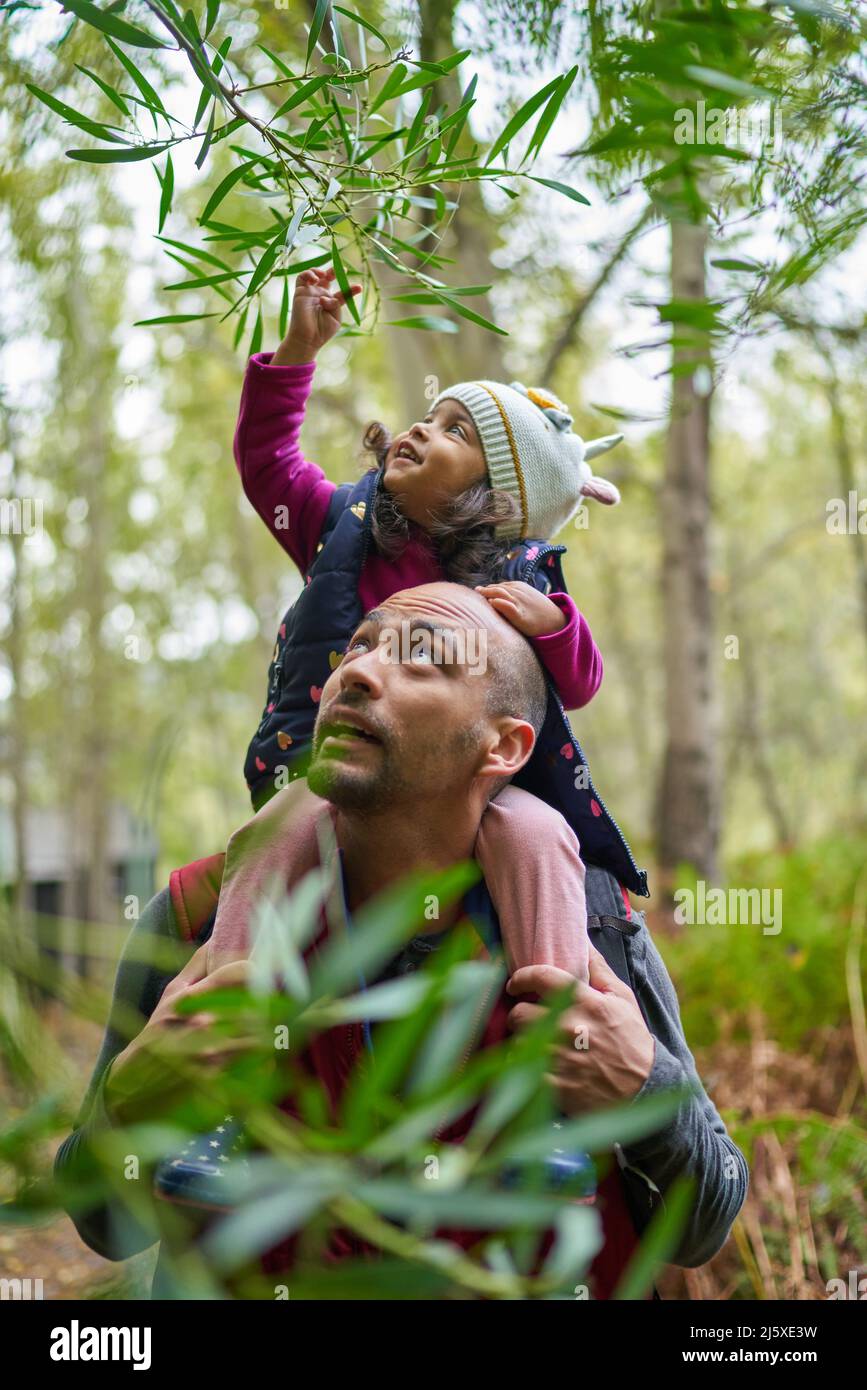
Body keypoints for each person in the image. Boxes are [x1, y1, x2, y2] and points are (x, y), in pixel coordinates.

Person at [55, 583, 748, 1299]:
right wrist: (129, 1103)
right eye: (359, 644)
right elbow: (105, 1226)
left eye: (423, 659)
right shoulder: (199, 915)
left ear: (503, 745)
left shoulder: (591, 923)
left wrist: (644, 1089)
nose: (355, 672)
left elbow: (702, 1228)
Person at [216, 264, 640, 986]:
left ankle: (559, 1008)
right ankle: (218, 985)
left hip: (467, 790)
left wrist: (552, 623)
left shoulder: (516, 577)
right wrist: (296, 353)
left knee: (538, 835)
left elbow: (580, 684)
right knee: (274, 831)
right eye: (431, 414)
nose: (420, 427)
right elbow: (267, 465)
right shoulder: (340, 527)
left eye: (456, 432)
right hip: (337, 766)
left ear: (496, 497)